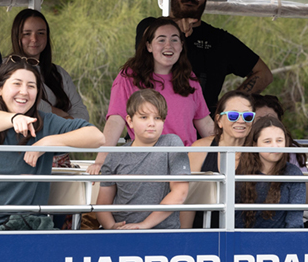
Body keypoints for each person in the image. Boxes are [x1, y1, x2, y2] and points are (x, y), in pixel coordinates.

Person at [0, 57, 104, 231]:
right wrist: (14, 119)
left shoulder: (46, 122)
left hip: (30, 227)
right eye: (17, 84)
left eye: (31, 86)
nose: (24, 92)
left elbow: (97, 137)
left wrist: (47, 142)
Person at [91, 18, 213, 175]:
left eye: (174, 39)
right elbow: (116, 120)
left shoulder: (189, 78)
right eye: (161, 40)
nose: (168, 45)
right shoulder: (129, 77)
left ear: (181, 46)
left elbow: (205, 124)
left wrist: (236, 153)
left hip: (188, 163)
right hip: (148, 163)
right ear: (148, 46)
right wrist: (101, 160)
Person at [137, 0, 273, 112]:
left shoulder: (220, 40)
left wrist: (228, 106)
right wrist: (172, 25)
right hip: (151, 130)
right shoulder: (148, 26)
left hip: (202, 135)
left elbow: (264, 74)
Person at [97, 90, 190, 230]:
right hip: (121, 234)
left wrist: (143, 225)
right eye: (144, 117)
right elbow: (103, 205)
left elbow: (180, 192)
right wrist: (112, 228)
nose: (151, 123)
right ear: (130, 121)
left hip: (163, 234)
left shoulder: (172, 143)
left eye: (158, 118)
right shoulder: (115, 155)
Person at [187, 91, 255, 228]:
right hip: (205, 234)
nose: (241, 120)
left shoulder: (259, 151)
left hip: (246, 236)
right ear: (219, 120)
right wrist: (185, 239)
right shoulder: (200, 149)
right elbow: (188, 201)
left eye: (247, 116)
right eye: (233, 115)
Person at [8, 8, 89, 121]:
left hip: (61, 137)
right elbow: (28, 103)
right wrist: (62, 115)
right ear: (16, 36)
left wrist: (63, 122)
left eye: (41, 33)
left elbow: (81, 113)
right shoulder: (6, 68)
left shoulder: (58, 72)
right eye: (27, 34)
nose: (34, 39)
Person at [236, 116, 305, 229]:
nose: (275, 146)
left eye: (279, 140)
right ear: (255, 144)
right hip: (241, 241)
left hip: (280, 241)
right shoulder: (239, 172)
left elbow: (295, 222)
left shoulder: (293, 173)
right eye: (267, 141)